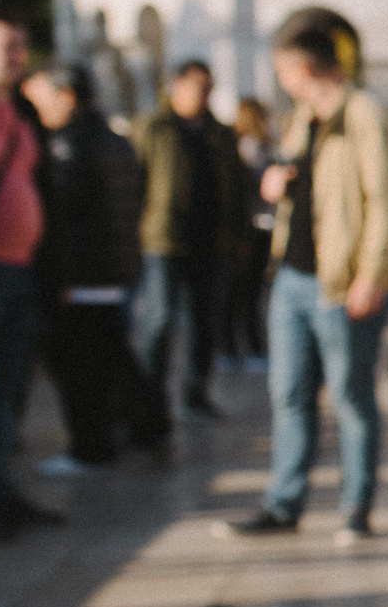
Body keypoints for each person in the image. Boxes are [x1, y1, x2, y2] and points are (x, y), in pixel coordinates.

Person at [217, 23, 388, 544]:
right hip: (293, 276)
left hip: (343, 282)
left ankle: (356, 507)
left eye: (282, 70)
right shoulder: (303, 120)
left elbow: (387, 203)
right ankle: (283, 503)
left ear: (302, 69)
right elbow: (306, 186)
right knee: (290, 395)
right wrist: (277, 186)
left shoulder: (366, 115)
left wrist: (371, 275)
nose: (281, 81)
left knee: (350, 396)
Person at [22, 63, 164, 474]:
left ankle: (92, 445)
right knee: (112, 353)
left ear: (67, 96)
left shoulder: (70, 144)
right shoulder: (113, 140)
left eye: (43, 96)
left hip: (81, 274)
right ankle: (147, 424)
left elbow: (63, 213)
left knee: (81, 364)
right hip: (113, 268)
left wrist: (61, 275)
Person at [0, 15, 59, 542]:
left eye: (23, 46)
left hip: (22, 266)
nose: (18, 55)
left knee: (7, 387)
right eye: (7, 45)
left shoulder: (21, 110)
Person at [132, 59, 245, 423]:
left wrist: (239, 236)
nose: (205, 93)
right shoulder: (153, 127)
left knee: (205, 321)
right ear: (176, 85)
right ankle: (150, 401)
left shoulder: (221, 132)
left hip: (212, 241)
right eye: (198, 85)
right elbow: (134, 180)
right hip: (164, 239)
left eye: (209, 86)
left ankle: (195, 393)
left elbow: (237, 187)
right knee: (160, 319)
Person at [225, 99, 274, 370]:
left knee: (245, 292)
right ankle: (250, 346)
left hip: (254, 225)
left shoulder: (246, 145)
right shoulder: (252, 147)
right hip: (256, 225)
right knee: (248, 292)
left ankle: (236, 347)